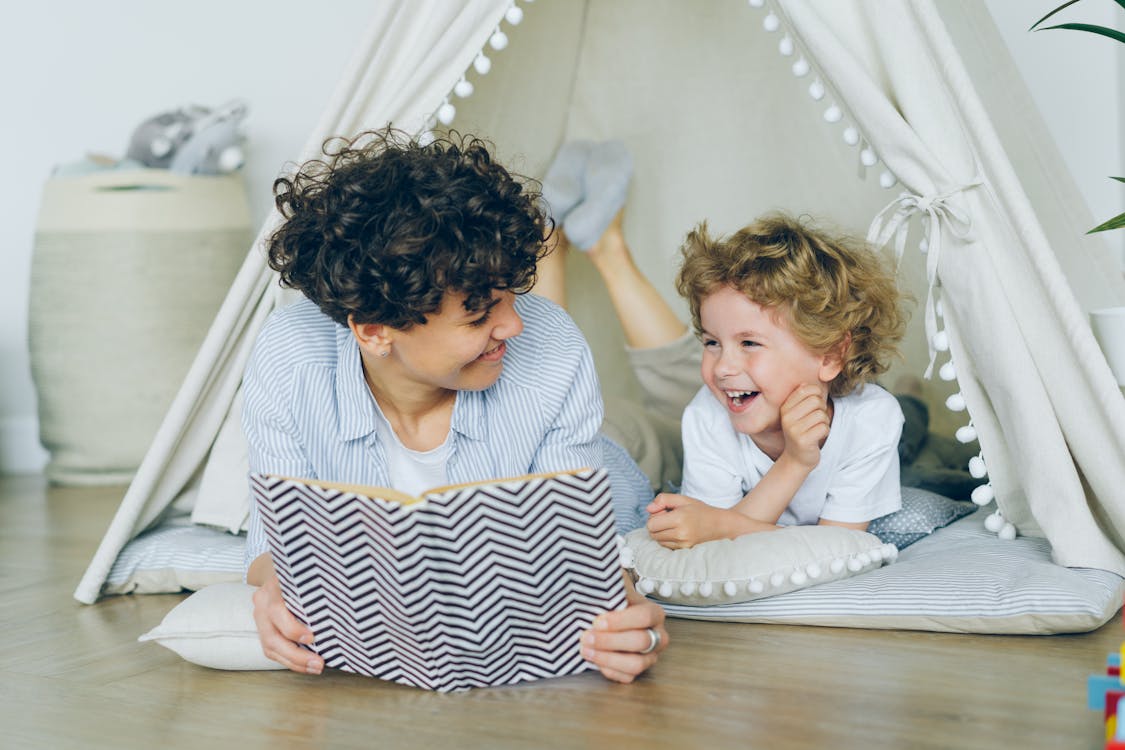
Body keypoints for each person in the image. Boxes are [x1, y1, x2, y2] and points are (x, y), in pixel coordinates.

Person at [241, 129, 668, 683]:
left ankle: (590, 244)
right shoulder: (288, 354)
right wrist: (278, 584)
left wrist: (629, 613)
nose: (513, 322)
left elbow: (583, 552)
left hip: (616, 449)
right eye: (478, 314)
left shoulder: (550, 344)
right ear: (374, 331)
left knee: (665, 427)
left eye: (513, 291)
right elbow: (272, 543)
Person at [645, 215, 908, 548]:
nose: (723, 367)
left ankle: (912, 396)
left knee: (911, 432)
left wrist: (721, 525)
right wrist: (793, 463)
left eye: (749, 343)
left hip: (878, 417)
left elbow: (841, 548)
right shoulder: (706, 415)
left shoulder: (872, 420)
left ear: (829, 356)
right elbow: (713, 544)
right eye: (712, 342)